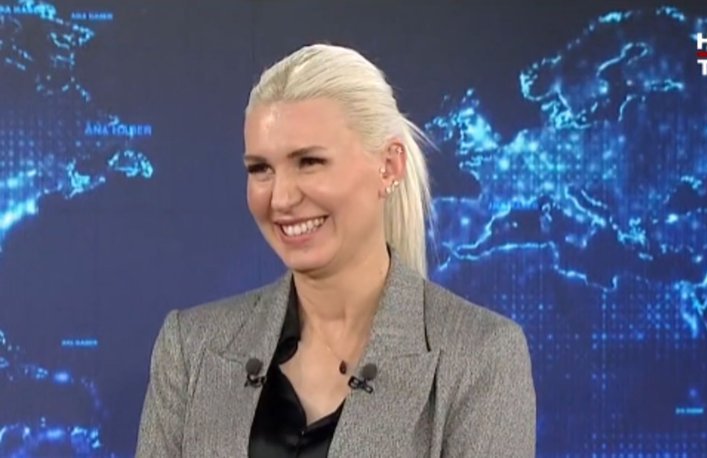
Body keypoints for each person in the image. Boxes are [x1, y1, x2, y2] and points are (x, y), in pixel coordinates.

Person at [135, 43, 536, 458]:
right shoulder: (191, 347)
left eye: (309, 162)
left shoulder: (481, 356)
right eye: (261, 169)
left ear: (389, 166)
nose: (281, 198)